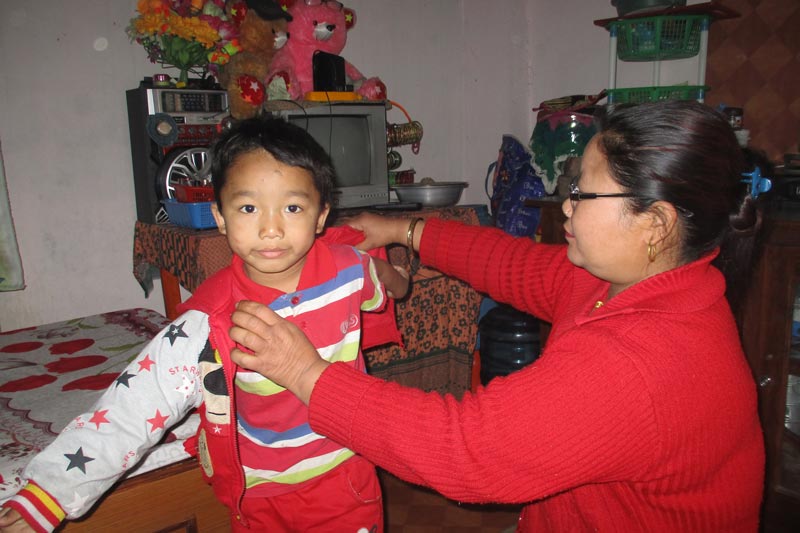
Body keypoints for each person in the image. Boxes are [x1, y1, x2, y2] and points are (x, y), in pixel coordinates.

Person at [224, 101, 766, 532]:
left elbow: (464, 449)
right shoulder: (636, 281)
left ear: (656, 224)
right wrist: (402, 230)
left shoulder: (641, 364)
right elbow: (515, 265)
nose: (566, 203)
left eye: (584, 192)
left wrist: (304, 373)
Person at [0, 117, 409, 533]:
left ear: (321, 216)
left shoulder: (349, 269)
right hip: (262, 493)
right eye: (249, 208)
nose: (271, 228)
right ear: (220, 216)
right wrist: (49, 493)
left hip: (346, 479)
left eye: (292, 207)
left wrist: (397, 278)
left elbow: (382, 278)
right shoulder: (210, 320)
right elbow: (136, 402)